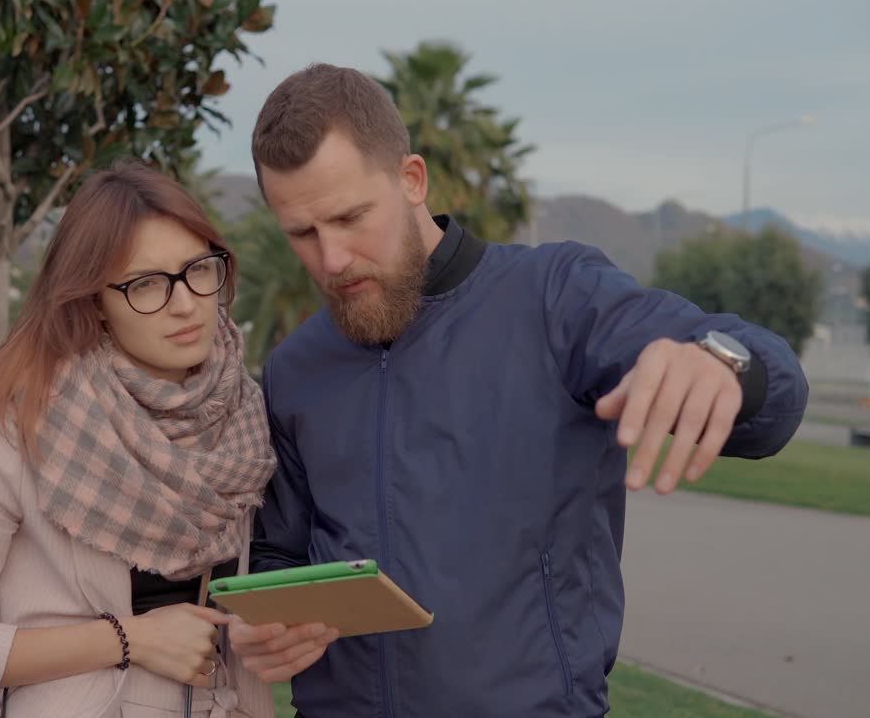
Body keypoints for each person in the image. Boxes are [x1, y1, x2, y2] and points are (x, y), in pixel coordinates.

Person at [226, 64, 809, 717]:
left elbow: (773, 390)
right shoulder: (294, 367)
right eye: (302, 233)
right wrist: (268, 615)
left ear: (411, 180)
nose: (331, 259)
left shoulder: (555, 297)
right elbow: (281, 545)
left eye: (350, 217)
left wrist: (720, 363)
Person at [0, 162, 278, 718]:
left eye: (198, 268)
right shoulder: (23, 428)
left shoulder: (245, 417)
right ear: (95, 300)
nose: (184, 302)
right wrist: (131, 639)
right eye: (146, 283)